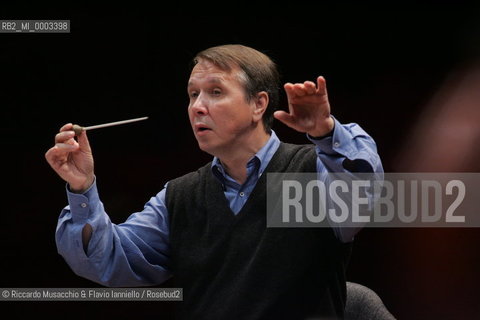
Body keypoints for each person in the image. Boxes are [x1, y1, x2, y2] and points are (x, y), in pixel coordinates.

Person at [46, 44, 383, 320]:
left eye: (216, 92)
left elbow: (360, 200)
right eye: (193, 95)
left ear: (258, 104)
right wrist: (82, 187)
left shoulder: (312, 172)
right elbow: (110, 263)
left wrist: (325, 133)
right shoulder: (179, 197)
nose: (198, 107)